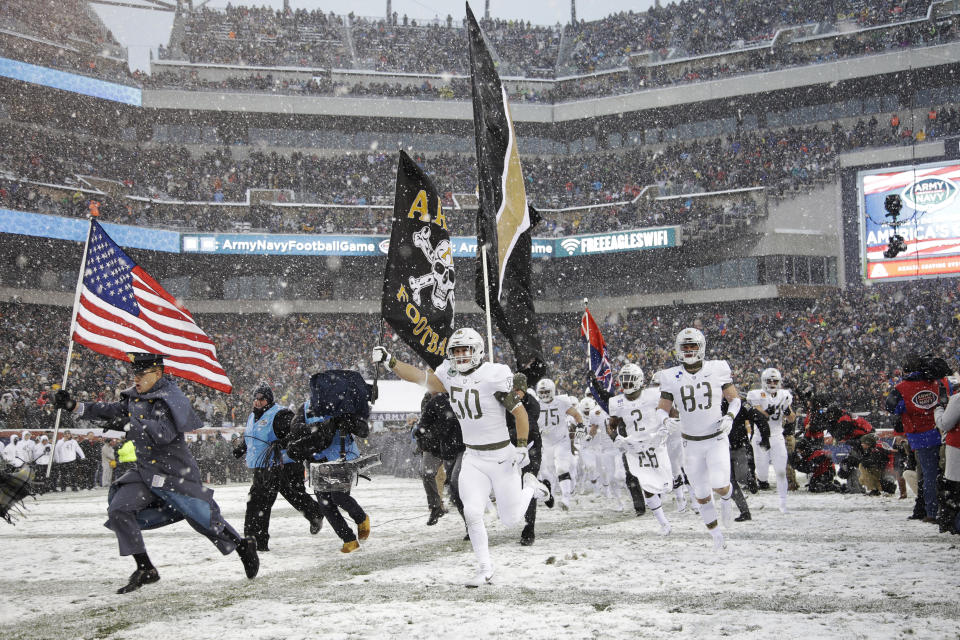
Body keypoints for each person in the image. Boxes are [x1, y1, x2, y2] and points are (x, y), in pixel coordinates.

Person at [53, 352, 259, 594]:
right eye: (135, 374)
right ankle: (145, 568)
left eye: (142, 374)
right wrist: (75, 406)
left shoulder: (171, 398)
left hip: (173, 471)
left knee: (203, 518)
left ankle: (242, 546)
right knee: (120, 509)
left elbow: (164, 434)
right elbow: (110, 410)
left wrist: (130, 425)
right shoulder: (135, 397)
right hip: (145, 471)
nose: (136, 379)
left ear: (158, 373)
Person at [372, 327, 550, 587]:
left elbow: (520, 414)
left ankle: (531, 487)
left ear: (477, 350)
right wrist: (390, 361)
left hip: (501, 456)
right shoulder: (450, 375)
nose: (461, 355)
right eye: (456, 351)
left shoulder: (493, 376)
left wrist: (522, 446)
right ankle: (485, 568)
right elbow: (420, 377)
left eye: (465, 349)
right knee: (472, 512)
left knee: (510, 520)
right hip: (474, 457)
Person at [657, 328, 741, 551]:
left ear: (701, 347)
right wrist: (665, 421)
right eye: (685, 347)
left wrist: (730, 417)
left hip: (716, 438)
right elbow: (661, 410)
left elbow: (735, 400)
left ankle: (726, 498)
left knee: (720, 485)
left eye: (693, 346)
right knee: (702, 495)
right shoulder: (669, 375)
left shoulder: (717, 368)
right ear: (678, 349)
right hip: (690, 443)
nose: (689, 350)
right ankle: (716, 537)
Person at [233, 384, 326, 552]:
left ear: (269, 399)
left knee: (291, 494)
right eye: (256, 399)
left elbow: (297, 433)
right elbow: (252, 437)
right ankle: (253, 539)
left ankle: (315, 514)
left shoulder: (281, 414)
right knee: (257, 501)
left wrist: (282, 442)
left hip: (286, 464)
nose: (258, 402)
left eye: (262, 399)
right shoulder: (252, 416)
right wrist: (241, 448)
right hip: (263, 466)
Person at [286, 386, 371, 554]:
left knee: (337, 496)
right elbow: (295, 429)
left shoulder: (342, 406)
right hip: (317, 461)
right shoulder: (305, 408)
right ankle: (349, 539)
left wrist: (348, 422)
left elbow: (363, 430)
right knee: (325, 505)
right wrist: (319, 428)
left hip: (340, 457)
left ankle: (361, 518)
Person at [607, 363, 673, 535]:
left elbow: (671, 412)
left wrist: (667, 425)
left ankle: (680, 497)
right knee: (646, 485)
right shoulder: (617, 402)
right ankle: (664, 523)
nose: (626, 384)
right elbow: (611, 425)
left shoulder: (653, 394)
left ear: (639, 380)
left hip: (655, 442)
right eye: (624, 380)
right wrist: (616, 438)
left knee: (668, 483)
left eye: (630, 380)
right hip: (635, 446)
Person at [886, 353, 950, 523]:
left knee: (927, 475)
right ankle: (936, 508)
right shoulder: (937, 383)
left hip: (919, 436)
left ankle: (931, 510)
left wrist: (907, 407)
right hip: (942, 431)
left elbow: (892, 407)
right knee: (938, 473)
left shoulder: (901, 387)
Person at [747, 368, 795, 513]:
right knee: (762, 473)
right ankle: (761, 481)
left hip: (777, 436)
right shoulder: (756, 394)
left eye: (775, 381)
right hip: (760, 438)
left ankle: (783, 502)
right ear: (763, 382)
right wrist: (768, 411)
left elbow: (792, 418)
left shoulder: (784, 395)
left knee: (781, 471)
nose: (772, 383)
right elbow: (760, 416)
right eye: (769, 381)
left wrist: (786, 410)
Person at [506, 375, 546, 545]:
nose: (515, 394)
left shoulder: (533, 404)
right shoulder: (506, 403)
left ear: (523, 390)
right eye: (512, 390)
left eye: (518, 390)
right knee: (514, 486)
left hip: (531, 448)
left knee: (528, 484)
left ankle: (529, 529)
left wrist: (511, 433)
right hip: (511, 449)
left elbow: (527, 425)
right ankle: (546, 487)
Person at [413, 391, 465, 526]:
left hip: (456, 445)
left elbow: (448, 422)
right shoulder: (430, 400)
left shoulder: (456, 395)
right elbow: (424, 421)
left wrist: (430, 433)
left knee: (455, 483)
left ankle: (469, 521)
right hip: (435, 446)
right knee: (426, 473)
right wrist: (421, 434)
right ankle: (436, 506)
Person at [534, 378, 583, 511]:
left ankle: (566, 498)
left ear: (553, 391)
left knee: (561, 468)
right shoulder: (536, 404)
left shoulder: (561, 402)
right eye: (542, 392)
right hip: (546, 443)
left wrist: (580, 426)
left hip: (562, 440)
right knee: (547, 473)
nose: (544, 395)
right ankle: (551, 496)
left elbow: (576, 415)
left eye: (547, 392)